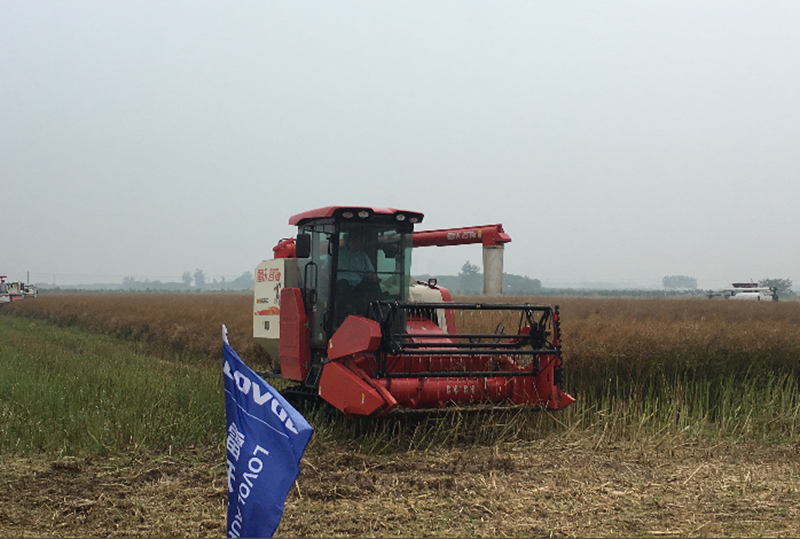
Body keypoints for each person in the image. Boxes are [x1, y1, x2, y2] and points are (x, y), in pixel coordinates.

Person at [335, 230, 382, 325]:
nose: (362, 243)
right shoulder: (338, 253)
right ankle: (344, 315)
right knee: (343, 285)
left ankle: (378, 315)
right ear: (350, 240)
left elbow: (369, 273)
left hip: (358, 286)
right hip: (341, 286)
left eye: (363, 240)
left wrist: (375, 279)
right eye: (360, 240)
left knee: (373, 286)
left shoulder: (362, 255)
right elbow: (325, 271)